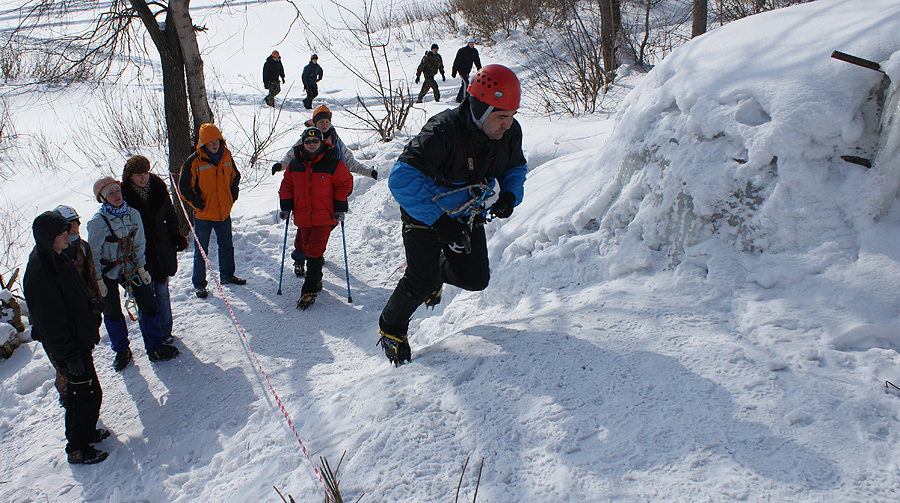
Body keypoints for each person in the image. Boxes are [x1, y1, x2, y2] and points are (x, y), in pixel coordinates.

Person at [377, 64, 526, 366]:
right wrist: (440, 223)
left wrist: (510, 195)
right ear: (481, 110)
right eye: (502, 117)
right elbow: (401, 179)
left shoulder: (509, 133)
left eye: (511, 116)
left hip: (465, 212)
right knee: (419, 280)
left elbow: (515, 168)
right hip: (423, 212)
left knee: (476, 278)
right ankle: (391, 328)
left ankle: (437, 271)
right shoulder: (442, 131)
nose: (508, 125)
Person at [24, 211, 109, 464]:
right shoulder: (41, 271)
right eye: (61, 234)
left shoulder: (57, 258)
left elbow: (73, 293)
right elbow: (50, 323)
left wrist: (91, 306)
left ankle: (82, 434)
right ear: (48, 237)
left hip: (77, 341)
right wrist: (69, 356)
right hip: (69, 347)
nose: (68, 236)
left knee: (79, 394)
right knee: (87, 394)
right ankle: (78, 448)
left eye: (67, 231)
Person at [272, 104, 376, 276]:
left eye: (327, 121)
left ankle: (315, 254)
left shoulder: (335, 140)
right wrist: (281, 165)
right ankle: (301, 259)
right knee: (305, 228)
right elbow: (292, 157)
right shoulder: (307, 138)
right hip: (307, 191)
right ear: (314, 122)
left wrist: (369, 172)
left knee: (324, 227)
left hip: (327, 192)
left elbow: (349, 162)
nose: (324, 124)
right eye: (320, 121)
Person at [88, 177, 179, 371]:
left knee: (149, 304)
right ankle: (122, 351)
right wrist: (97, 279)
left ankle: (154, 347)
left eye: (117, 190)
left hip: (131, 268)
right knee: (112, 312)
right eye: (110, 192)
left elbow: (139, 244)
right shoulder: (98, 223)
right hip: (107, 272)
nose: (116, 195)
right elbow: (93, 253)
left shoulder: (133, 214)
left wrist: (141, 268)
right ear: (102, 198)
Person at [278, 127, 353, 310]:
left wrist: (340, 205)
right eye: (308, 141)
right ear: (303, 143)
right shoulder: (295, 164)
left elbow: (345, 183)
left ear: (321, 142)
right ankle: (317, 278)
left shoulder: (332, 163)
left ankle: (309, 290)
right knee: (307, 247)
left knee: (313, 251)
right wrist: (286, 207)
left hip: (325, 216)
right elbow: (287, 185)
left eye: (315, 141)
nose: (312, 145)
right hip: (303, 217)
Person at [121, 155, 188, 345]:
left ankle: (166, 330)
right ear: (130, 176)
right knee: (145, 296)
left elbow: (171, 215)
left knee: (162, 292)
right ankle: (152, 334)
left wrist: (175, 236)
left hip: (161, 248)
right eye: (138, 174)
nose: (143, 178)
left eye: (146, 173)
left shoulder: (158, 188)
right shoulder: (123, 195)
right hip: (139, 253)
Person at [179, 123, 246, 298]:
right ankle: (199, 284)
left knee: (226, 246)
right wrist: (199, 205)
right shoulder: (193, 161)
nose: (214, 144)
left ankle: (227, 275)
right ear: (203, 143)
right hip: (203, 215)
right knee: (201, 251)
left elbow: (235, 177)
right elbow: (184, 188)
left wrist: (231, 197)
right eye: (210, 141)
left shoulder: (226, 157)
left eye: (217, 140)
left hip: (223, 212)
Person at [44, 205, 102, 407]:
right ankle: (68, 397)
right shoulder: (49, 254)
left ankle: (83, 401)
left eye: (76, 222)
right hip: (60, 319)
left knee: (84, 362)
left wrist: (96, 307)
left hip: (81, 316)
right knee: (65, 365)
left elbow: (91, 277)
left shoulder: (83, 248)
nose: (74, 228)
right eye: (69, 225)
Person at [451, 36, 482, 103]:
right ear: (467, 43)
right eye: (470, 43)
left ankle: (459, 98)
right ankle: (463, 99)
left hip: (467, 70)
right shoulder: (462, 51)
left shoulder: (474, 51)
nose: (471, 44)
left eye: (472, 43)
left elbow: (477, 61)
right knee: (466, 83)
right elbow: (456, 61)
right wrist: (454, 72)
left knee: (464, 84)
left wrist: (480, 70)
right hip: (461, 70)